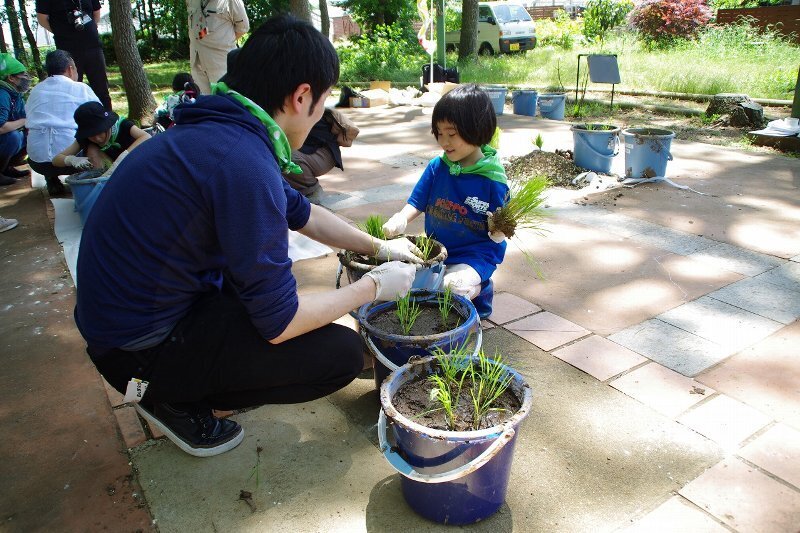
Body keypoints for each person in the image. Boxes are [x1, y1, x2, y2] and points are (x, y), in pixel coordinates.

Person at [74, 15, 422, 458]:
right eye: (323, 103)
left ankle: (177, 381)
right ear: (301, 96)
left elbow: (303, 213)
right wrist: (372, 286)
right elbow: (279, 324)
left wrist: (379, 247)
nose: (320, 115)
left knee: (259, 291)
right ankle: (171, 400)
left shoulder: (221, 134)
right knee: (340, 355)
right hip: (137, 356)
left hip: (130, 326)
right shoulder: (242, 162)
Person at [382, 84, 510, 319]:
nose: (444, 141)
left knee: (453, 287)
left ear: (477, 130)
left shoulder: (493, 180)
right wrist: (400, 219)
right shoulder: (438, 167)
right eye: (439, 133)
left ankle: (482, 291)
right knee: (405, 282)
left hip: (476, 255)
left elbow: (501, 229)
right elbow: (417, 202)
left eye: (452, 134)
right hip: (437, 249)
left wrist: (499, 231)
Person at [26, 50, 100, 195]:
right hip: (74, 160)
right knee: (97, 137)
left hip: (37, 162)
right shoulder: (80, 88)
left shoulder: (35, 90)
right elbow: (100, 118)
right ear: (70, 69)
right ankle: (93, 180)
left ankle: (51, 177)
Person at [36, 0, 112, 110]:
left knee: (102, 90)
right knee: (70, 92)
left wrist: (90, 28)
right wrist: (60, 32)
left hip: (92, 45)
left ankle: (108, 122)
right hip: (67, 49)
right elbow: (42, 19)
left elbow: (96, 12)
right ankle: (77, 125)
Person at [283, 107, 359, 203]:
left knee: (285, 157)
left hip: (322, 154)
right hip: (314, 152)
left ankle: (311, 190)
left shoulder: (308, 112)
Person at [52, 102, 150, 177]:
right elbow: (56, 160)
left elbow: (146, 137)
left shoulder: (123, 126)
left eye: (99, 132)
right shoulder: (86, 139)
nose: (97, 138)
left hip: (133, 166)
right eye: (91, 135)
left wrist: (123, 156)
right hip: (105, 173)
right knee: (91, 149)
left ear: (107, 126)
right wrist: (72, 160)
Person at [187, 0, 249, 94]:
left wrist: (220, 43)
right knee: (203, 103)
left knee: (225, 102)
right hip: (197, 62)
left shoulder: (231, 1)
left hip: (221, 64)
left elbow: (243, 28)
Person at [0, 53, 30, 187]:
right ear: (11, 78)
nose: (26, 78)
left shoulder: (16, 94)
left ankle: (6, 168)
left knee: (31, 135)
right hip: (5, 135)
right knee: (13, 137)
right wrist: (25, 121)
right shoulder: (2, 94)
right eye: (22, 74)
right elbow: (1, 128)